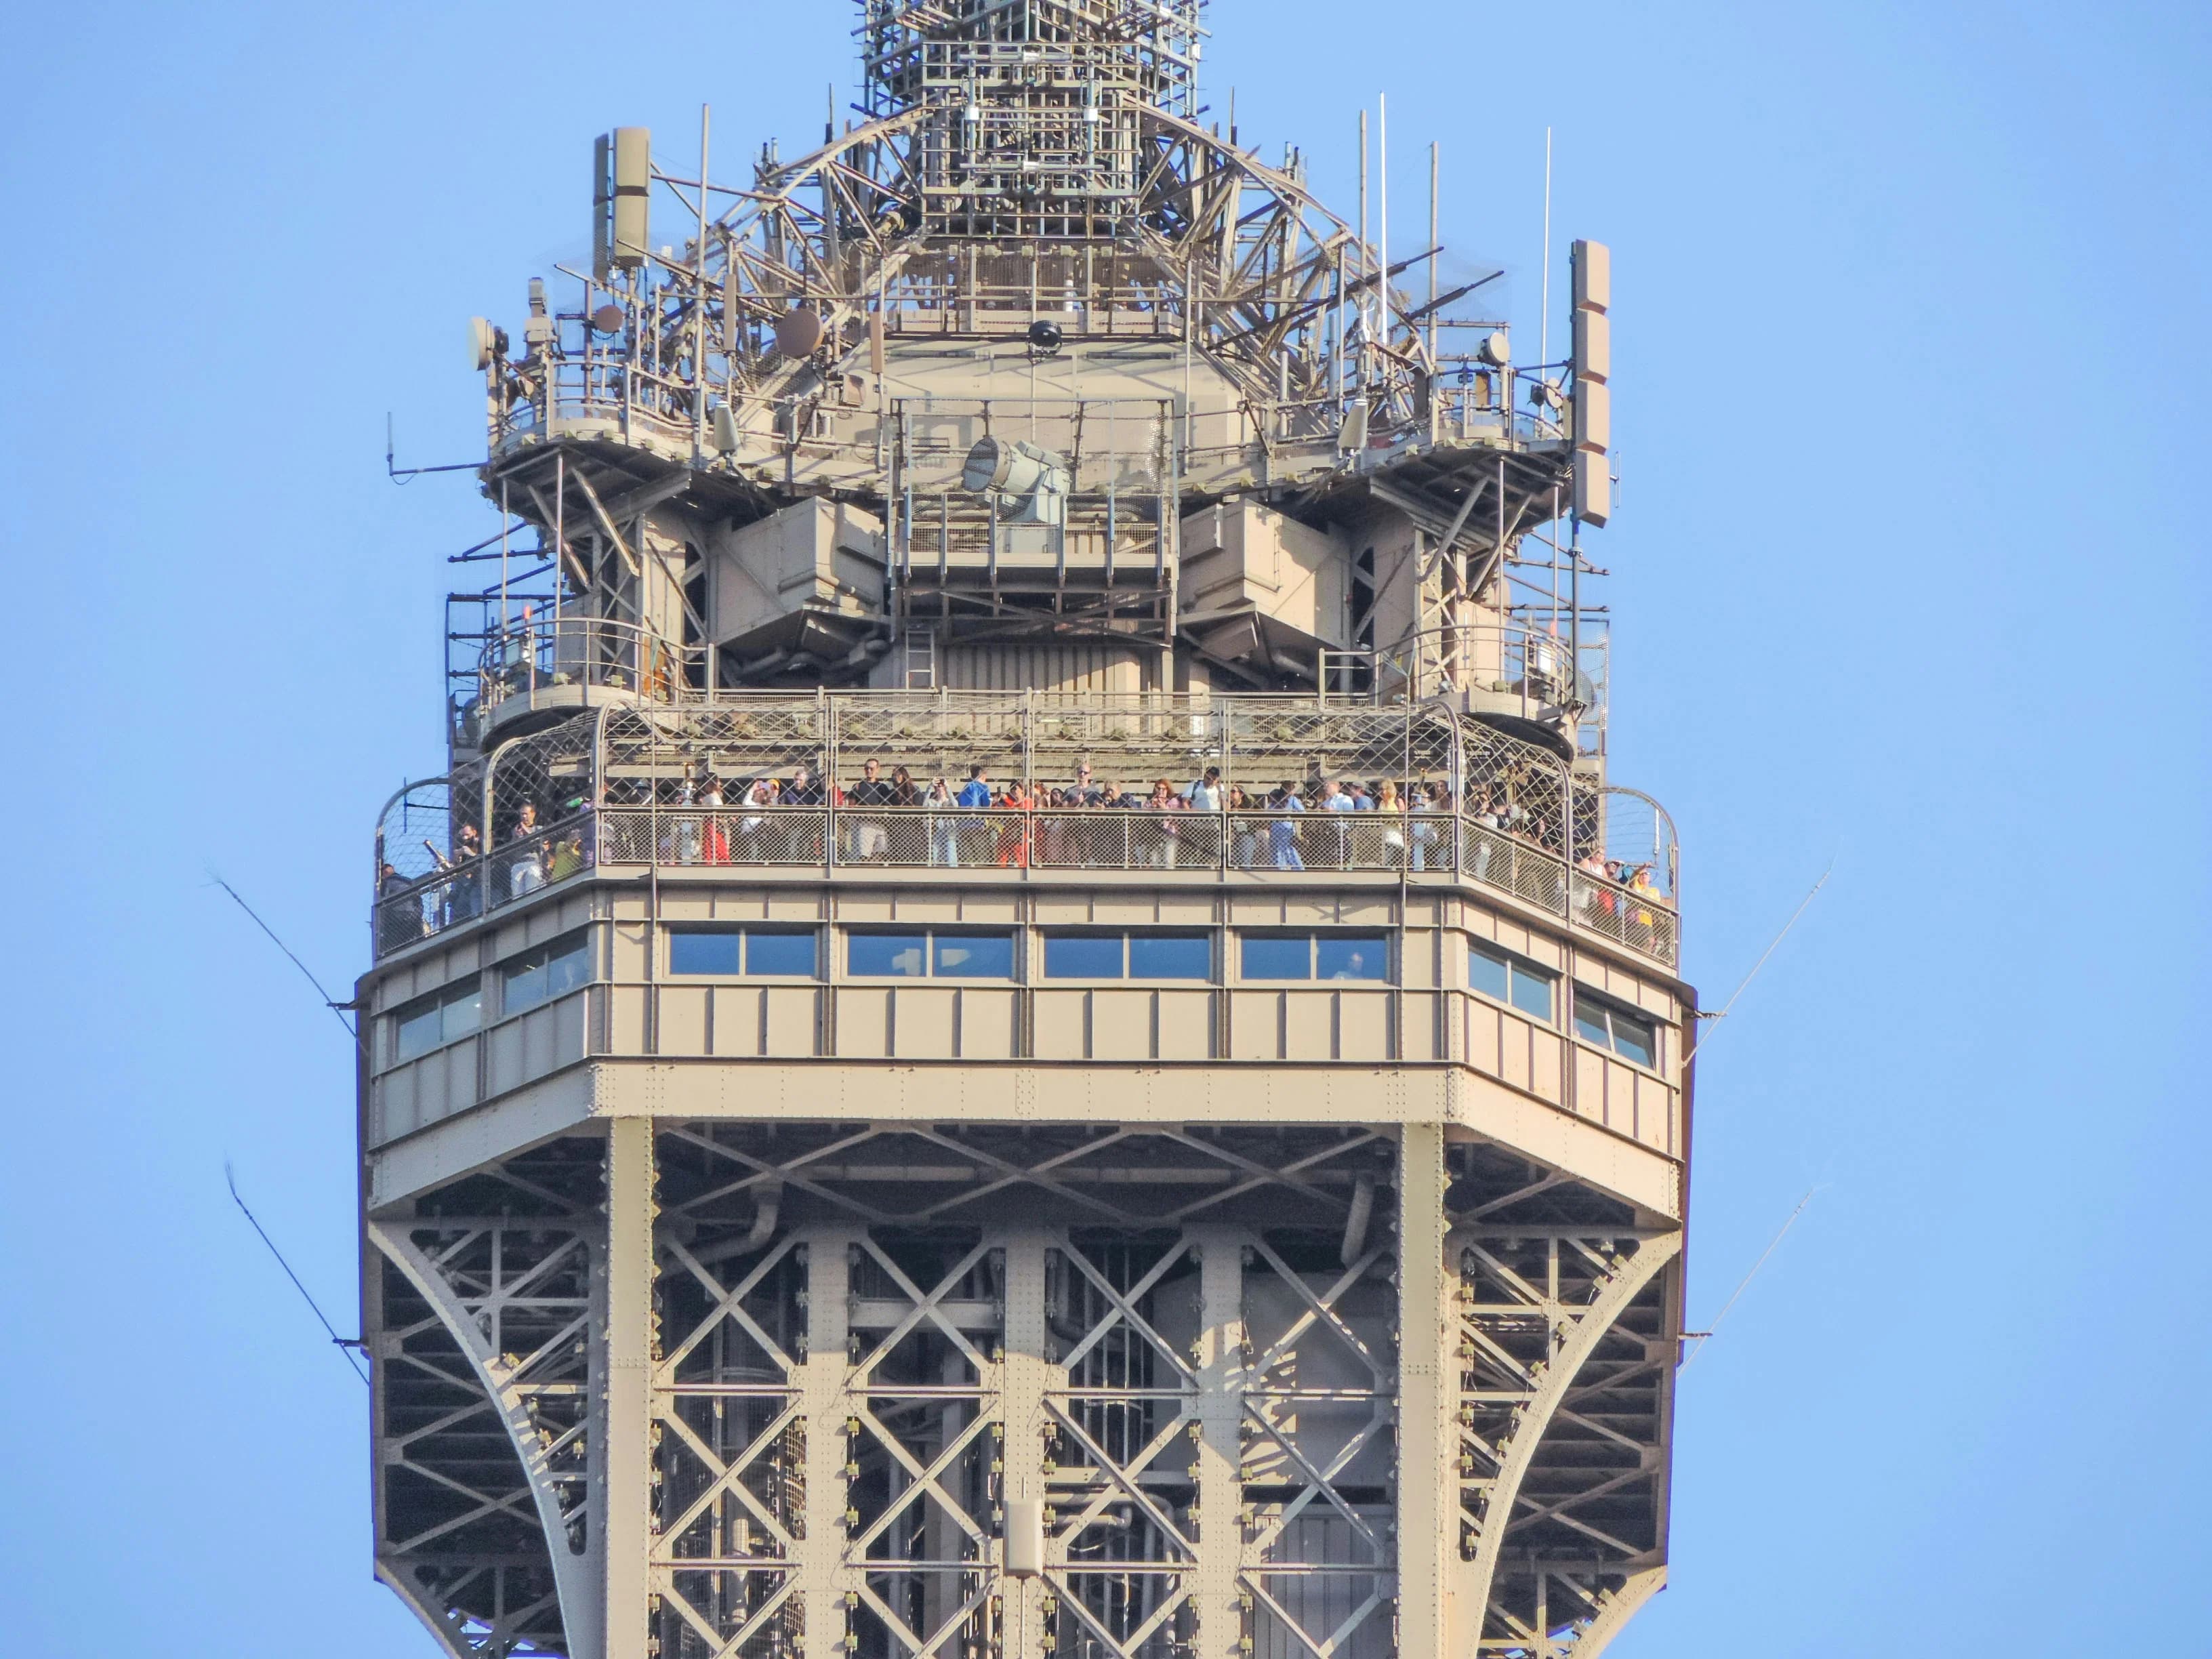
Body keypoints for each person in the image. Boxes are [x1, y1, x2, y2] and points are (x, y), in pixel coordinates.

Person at [846, 757, 894, 863]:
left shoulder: (883, 787)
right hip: (865, 824)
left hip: (880, 824)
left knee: (882, 851)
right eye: (866, 768)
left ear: (878, 770)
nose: (869, 771)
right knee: (864, 854)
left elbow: (887, 806)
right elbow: (851, 805)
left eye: (872, 768)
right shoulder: (858, 786)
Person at [1268, 785, 1305, 869]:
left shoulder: (1291, 799)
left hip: (1281, 827)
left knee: (1282, 848)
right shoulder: (1290, 799)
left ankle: (1283, 868)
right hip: (1281, 826)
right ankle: (1294, 868)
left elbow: (1302, 812)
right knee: (1280, 848)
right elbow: (1302, 811)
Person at [926, 775, 958, 866]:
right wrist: (929, 788)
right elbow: (924, 806)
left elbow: (955, 805)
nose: (940, 788)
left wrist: (948, 787)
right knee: (936, 856)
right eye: (938, 786)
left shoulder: (949, 801)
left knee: (950, 855)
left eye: (942, 786)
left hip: (949, 831)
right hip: (936, 831)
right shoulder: (933, 802)